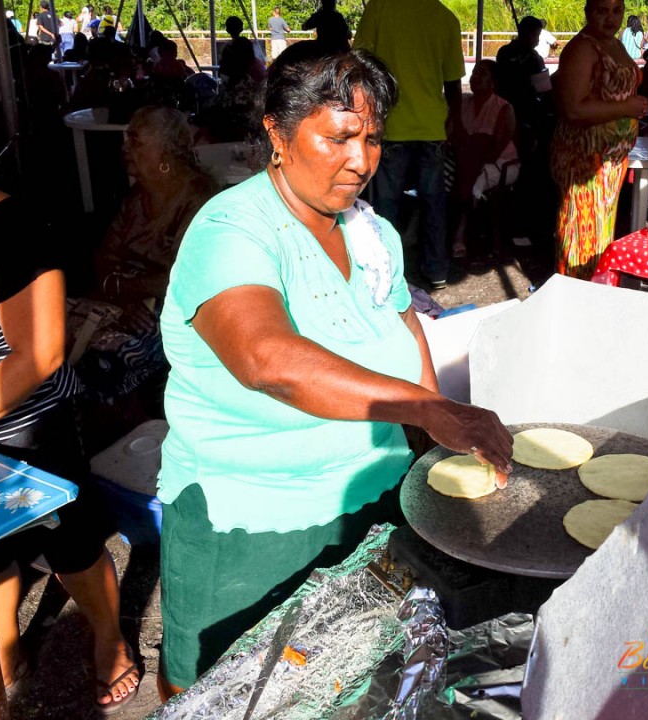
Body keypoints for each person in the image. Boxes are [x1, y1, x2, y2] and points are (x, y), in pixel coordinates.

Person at [155, 47, 514, 699]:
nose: (362, 160)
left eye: (374, 138)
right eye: (340, 137)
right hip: (255, 522)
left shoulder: (368, 231)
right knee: (221, 690)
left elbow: (403, 322)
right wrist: (423, 408)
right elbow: (265, 357)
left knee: (335, 683)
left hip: (371, 502)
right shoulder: (232, 230)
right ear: (276, 132)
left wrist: (433, 443)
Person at [0, 95, 141, 717]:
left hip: (26, 426)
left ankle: (110, 640)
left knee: (69, 543)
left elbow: (42, 354)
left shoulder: (12, 228)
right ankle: (0, 655)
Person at [76, 107, 216, 403]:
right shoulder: (139, 195)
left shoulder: (197, 197)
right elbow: (104, 256)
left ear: (165, 153)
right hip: (123, 304)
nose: (124, 149)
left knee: (98, 365)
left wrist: (118, 287)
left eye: (136, 142)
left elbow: (184, 279)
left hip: (173, 312)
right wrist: (123, 296)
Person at [354, 0, 465, 290]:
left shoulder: (379, 9)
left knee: (386, 206)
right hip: (432, 126)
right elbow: (453, 84)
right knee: (434, 203)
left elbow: (359, 65)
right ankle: (437, 270)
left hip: (390, 126)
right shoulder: (446, 18)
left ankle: (387, 271)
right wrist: (455, 122)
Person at [551, 0, 648, 279]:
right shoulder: (582, 48)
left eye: (617, 10)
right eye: (602, 11)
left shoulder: (615, 44)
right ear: (588, 12)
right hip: (584, 157)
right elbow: (573, 108)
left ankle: (594, 285)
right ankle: (574, 288)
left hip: (610, 161)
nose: (610, 18)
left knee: (601, 229)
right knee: (582, 230)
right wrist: (625, 108)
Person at [451, 59, 518, 258]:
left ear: (493, 82)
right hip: (466, 161)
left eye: (482, 74)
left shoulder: (504, 109)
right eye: (473, 73)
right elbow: (449, 135)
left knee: (474, 156)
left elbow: (495, 151)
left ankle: (460, 230)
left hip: (501, 163)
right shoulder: (463, 103)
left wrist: (471, 144)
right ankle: (457, 227)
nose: (475, 77)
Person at [495, 15, 551, 153]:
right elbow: (544, 89)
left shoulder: (503, 52)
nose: (538, 41)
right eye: (537, 36)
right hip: (526, 113)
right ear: (531, 35)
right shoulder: (534, 59)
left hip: (502, 108)